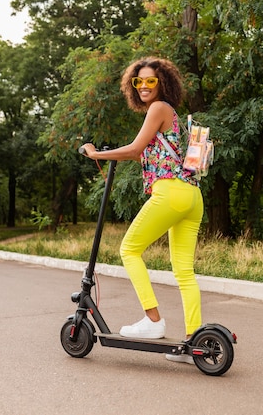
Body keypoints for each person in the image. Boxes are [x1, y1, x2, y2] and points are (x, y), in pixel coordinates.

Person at [80, 57, 203, 364]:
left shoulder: (159, 108)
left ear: (163, 83)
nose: (145, 86)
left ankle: (152, 320)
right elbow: (146, 156)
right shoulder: (168, 116)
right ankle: (194, 341)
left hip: (171, 193)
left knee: (130, 249)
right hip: (192, 196)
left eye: (151, 80)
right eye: (140, 82)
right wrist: (117, 154)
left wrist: (96, 153)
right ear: (133, 86)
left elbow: (135, 149)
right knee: (184, 271)